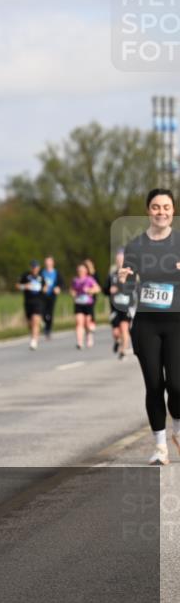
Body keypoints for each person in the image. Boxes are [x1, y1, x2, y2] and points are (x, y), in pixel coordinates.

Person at [119, 188, 180, 466]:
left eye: (166, 207)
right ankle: (160, 447)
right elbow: (126, 289)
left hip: (177, 322)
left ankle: (177, 428)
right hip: (147, 323)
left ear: (173, 211)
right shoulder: (136, 246)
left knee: (177, 385)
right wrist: (123, 280)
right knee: (154, 385)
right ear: (148, 210)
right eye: (156, 207)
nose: (161, 212)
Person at [105, 249, 133, 360]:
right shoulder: (112, 275)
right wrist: (109, 290)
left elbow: (133, 288)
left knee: (124, 329)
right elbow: (105, 289)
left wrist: (120, 288)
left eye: (121, 260)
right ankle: (118, 341)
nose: (119, 262)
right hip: (114, 308)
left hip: (126, 307)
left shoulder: (130, 274)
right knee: (116, 332)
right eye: (118, 260)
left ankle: (123, 351)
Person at [17, 260, 46, 350]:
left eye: (36, 267)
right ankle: (35, 333)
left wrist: (44, 289)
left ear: (39, 268)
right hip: (28, 302)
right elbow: (17, 285)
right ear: (31, 268)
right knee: (30, 324)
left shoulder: (41, 277)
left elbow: (45, 286)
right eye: (33, 267)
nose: (34, 269)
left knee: (35, 320)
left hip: (38, 302)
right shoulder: (26, 276)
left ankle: (34, 341)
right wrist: (24, 286)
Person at [70, 264, 100, 349]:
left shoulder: (89, 279)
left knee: (87, 322)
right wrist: (73, 293)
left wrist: (90, 290)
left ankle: (89, 336)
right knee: (79, 322)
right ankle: (79, 342)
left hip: (88, 304)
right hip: (78, 303)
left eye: (82, 270)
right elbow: (72, 289)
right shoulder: (75, 280)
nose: (81, 272)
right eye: (79, 270)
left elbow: (97, 289)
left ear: (86, 271)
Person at [40, 256, 63, 340]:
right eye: (46, 262)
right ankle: (44, 324)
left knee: (50, 313)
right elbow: (37, 282)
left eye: (49, 262)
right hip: (43, 296)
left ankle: (48, 329)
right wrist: (42, 288)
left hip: (52, 295)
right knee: (42, 312)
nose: (48, 264)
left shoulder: (56, 273)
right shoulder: (42, 272)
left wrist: (58, 288)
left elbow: (61, 283)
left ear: (53, 263)